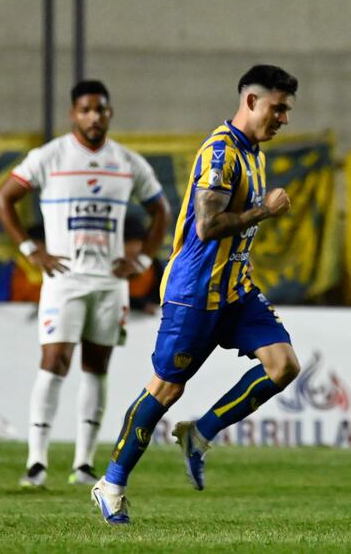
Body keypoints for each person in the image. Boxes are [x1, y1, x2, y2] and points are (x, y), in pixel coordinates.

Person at [91, 65, 301, 524]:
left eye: (287, 110)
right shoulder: (221, 151)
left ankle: (200, 433)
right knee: (165, 389)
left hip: (235, 291)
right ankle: (111, 483)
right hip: (194, 294)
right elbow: (206, 227)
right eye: (278, 108)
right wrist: (263, 210)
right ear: (251, 102)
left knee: (283, 365)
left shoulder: (255, 153)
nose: (284, 118)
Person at [0, 80, 171, 487]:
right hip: (63, 279)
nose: (94, 116)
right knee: (54, 361)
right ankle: (36, 461)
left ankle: (83, 464)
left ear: (110, 114)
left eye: (101, 110)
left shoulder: (126, 162)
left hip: (109, 282)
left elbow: (161, 208)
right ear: (73, 113)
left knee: (96, 367)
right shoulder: (50, 156)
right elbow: (2, 199)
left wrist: (143, 258)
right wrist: (29, 249)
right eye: (87, 109)